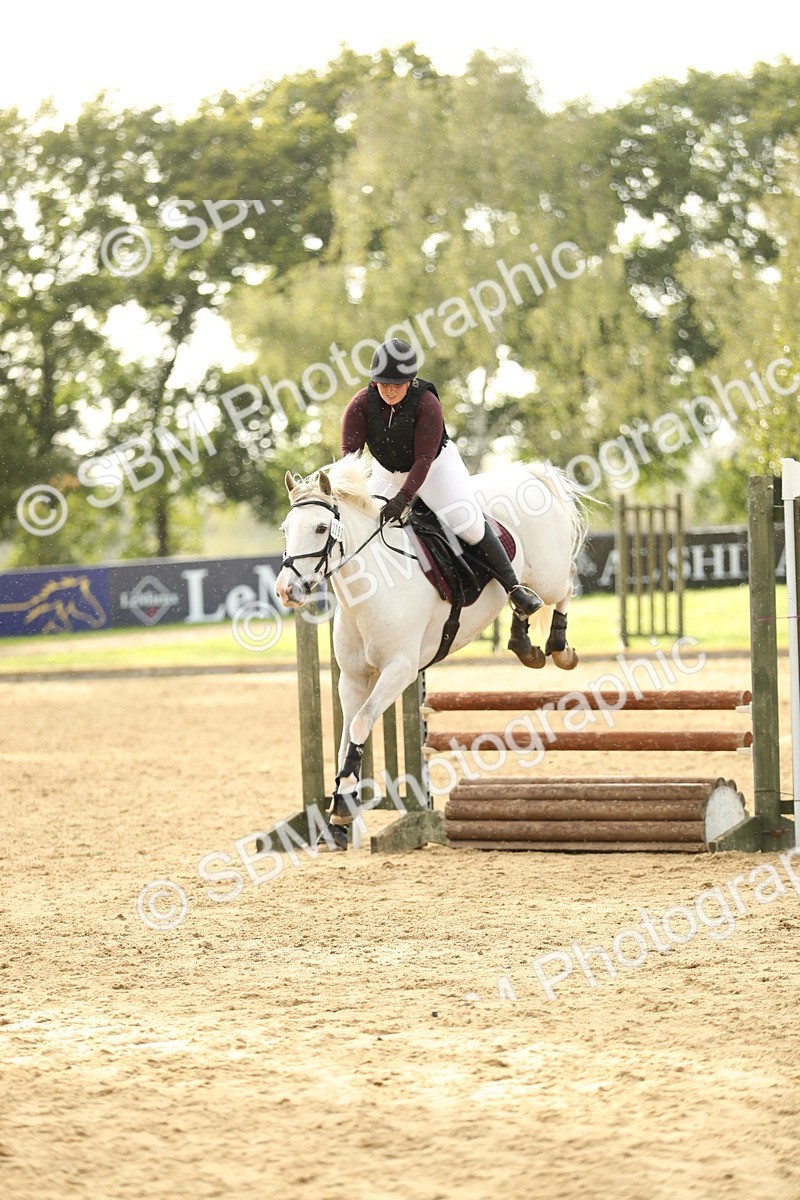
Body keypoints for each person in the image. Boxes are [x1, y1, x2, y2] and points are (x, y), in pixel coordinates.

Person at [341, 336, 543, 617]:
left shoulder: (426, 403)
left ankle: (514, 588)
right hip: (387, 471)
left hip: (436, 467)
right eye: (382, 383)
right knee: (369, 524)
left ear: (410, 381)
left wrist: (403, 498)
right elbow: (350, 458)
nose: (388, 390)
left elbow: (423, 460)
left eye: (396, 384)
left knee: (467, 522)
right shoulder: (361, 404)